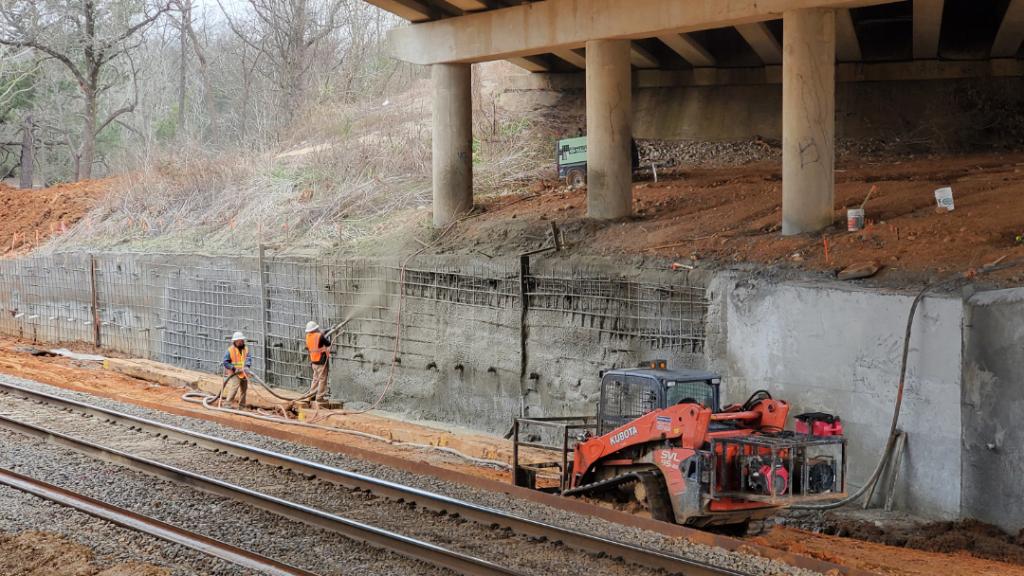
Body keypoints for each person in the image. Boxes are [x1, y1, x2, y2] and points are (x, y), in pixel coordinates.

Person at [222, 331, 252, 409]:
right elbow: (225, 362)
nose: (241, 342)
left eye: (242, 340)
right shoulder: (230, 350)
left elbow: (248, 359)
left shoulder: (246, 349)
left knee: (244, 389)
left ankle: (242, 406)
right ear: (235, 341)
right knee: (235, 387)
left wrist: (247, 366)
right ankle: (227, 404)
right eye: (239, 341)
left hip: (243, 372)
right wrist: (233, 368)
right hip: (234, 372)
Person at [304, 321, 332, 403]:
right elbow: (328, 343)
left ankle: (311, 396)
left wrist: (326, 331)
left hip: (314, 362)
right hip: (321, 361)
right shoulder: (319, 336)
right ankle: (320, 397)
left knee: (315, 379)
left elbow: (317, 339)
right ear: (316, 328)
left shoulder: (308, 336)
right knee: (322, 379)